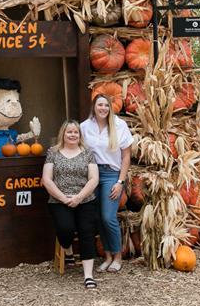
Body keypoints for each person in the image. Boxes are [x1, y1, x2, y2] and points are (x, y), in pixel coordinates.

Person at [42, 120, 100, 289]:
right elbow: (47, 179)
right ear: (63, 134)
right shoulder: (53, 152)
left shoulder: (88, 153)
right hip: (59, 200)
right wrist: (64, 198)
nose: (73, 135)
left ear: (80, 135)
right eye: (69, 132)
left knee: (87, 232)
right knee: (65, 228)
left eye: (76, 132)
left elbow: (94, 178)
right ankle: (67, 249)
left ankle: (88, 276)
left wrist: (78, 198)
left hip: (85, 199)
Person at [80, 94, 133, 273]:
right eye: (100, 105)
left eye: (106, 105)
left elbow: (126, 156)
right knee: (98, 217)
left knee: (108, 217)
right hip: (92, 174)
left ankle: (118, 257)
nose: (103, 108)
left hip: (111, 174)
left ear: (110, 108)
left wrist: (120, 182)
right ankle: (108, 257)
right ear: (94, 107)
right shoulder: (85, 126)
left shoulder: (119, 125)